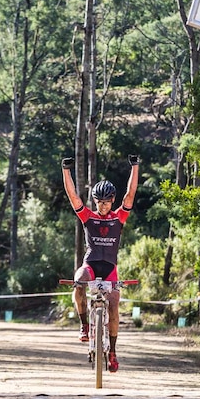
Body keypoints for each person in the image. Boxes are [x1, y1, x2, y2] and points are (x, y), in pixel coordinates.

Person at [61, 154, 139, 373]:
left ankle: (112, 352)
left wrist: (135, 166)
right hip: (91, 265)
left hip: (110, 270)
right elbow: (73, 196)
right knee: (78, 281)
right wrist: (66, 170)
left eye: (106, 202)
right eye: (99, 202)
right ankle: (85, 325)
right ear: (95, 201)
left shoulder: (119, 217)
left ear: (112, 201)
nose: (103, 205)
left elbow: (130, 193)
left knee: (114, 307)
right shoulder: (88, 217)